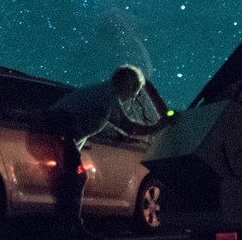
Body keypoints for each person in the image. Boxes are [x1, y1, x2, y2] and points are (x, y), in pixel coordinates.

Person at [42, 65, 167, 239]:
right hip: (61, 133)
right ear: (128, 83)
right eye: (135, 89)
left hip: (60, 134)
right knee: (76, 178)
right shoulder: (109, 97)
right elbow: (128, 127)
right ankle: (71, 229)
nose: (133, 96)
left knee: (73, 178)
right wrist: (157, 127)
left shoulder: (101, 92)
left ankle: (66, 226)